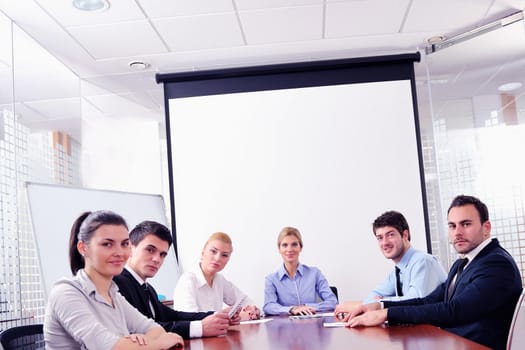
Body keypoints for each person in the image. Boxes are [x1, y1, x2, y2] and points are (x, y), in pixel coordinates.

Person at [345, 195, 523, 350]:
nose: (457, 232)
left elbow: (454, 310)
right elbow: (429, 300)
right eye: (452, 226)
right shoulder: (463, 263)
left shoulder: (496, 263)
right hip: (455, 343)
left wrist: (387, 314)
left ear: (486, 228)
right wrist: (381, 306)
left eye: (466, 224)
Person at [44, 210, 184, 350]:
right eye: (107, 244)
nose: (119, 253)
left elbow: (155, 330)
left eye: (124, 244)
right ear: (83, 248)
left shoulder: (114, 295)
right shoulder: (65, 292)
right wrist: (154, 344)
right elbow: (109, 347)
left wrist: (138, 343)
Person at [114, 221, 239, 340]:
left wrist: (217, 316)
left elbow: (173, 315)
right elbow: (142, 330)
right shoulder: (117, 284)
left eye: (162, 254)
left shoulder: (147, 288)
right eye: (150, 250)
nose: (157, 259)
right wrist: (199, 328)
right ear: (130, 248)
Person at [335, 211, 446, 316]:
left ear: (405, 235)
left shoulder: (423, 262)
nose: (385, 243)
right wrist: (371, 304)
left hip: (436, 332)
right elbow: (375, 294)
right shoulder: (398, 270)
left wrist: (380, 303)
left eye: (390, 235)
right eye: (380, 238)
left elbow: (415, 300)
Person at [173, 232, 261, 320]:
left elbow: (243, 300)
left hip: (217, 333)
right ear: (203, 252)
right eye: (213, 251)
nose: (218, 258)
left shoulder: (219, 279)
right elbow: (189, 321)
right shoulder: (187, 281)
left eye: (224, 255)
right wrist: (225, 316)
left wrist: (253, 310)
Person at [263, 227, 337, 315]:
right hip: (286, 326)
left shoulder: (315, 273)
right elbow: (268, 306)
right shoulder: (271, 279)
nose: (289, 249)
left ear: (300, 247)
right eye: (284, 245)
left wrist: (307, 307)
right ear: (279, 249)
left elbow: (332, 302)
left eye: (294, 244)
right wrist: (292, 309)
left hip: (312, 325)